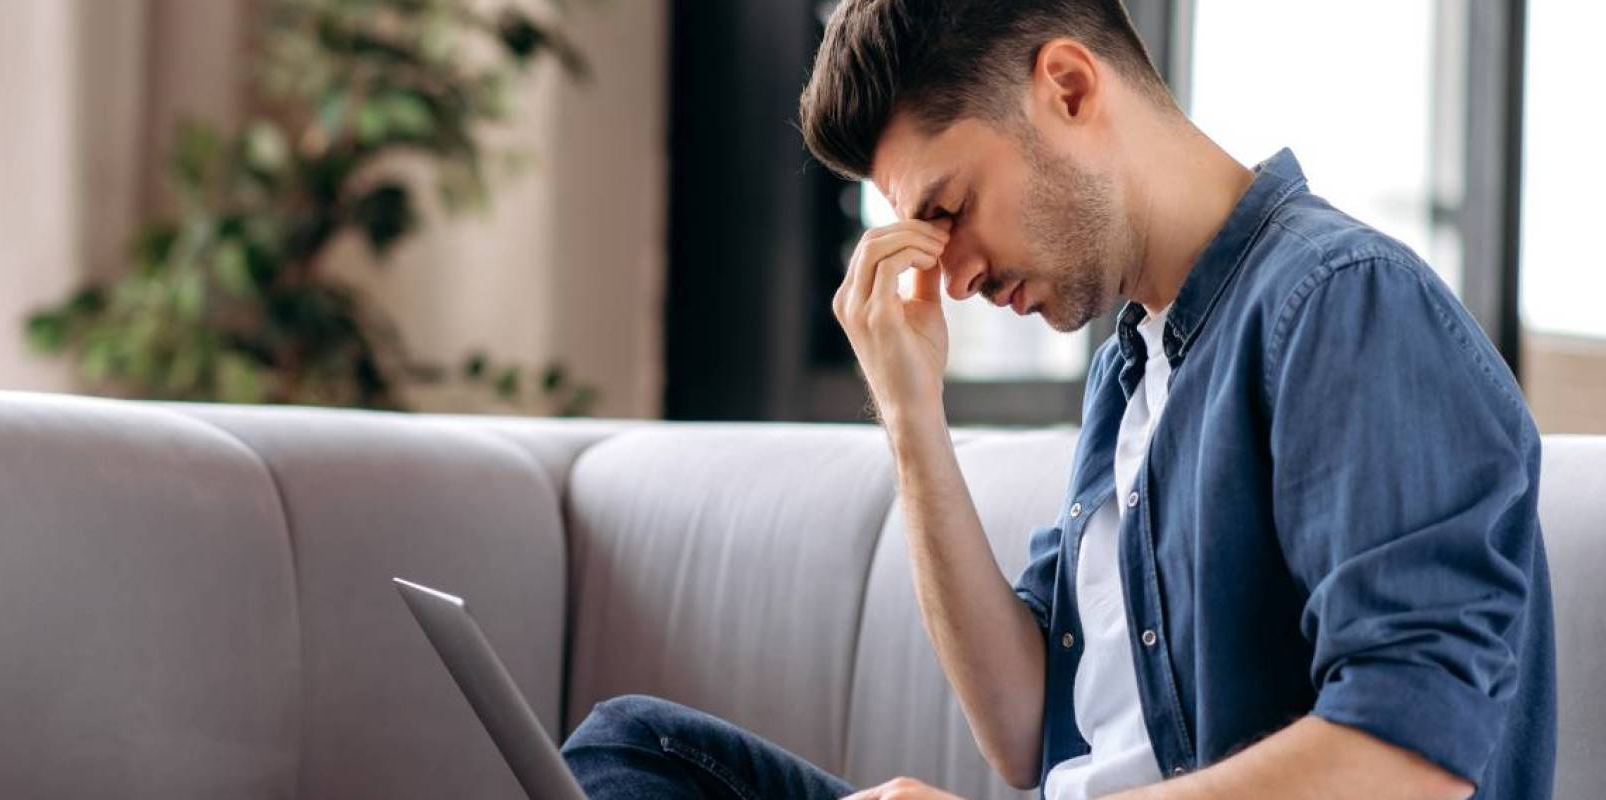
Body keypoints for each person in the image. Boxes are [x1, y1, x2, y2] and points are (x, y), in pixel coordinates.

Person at [559, 0, 1555, 797]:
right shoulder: (1135, 368)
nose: (948, 274)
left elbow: (1408, 752)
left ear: (1069, 87)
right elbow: (1024, 729)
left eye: (948, 209)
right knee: (637, 753)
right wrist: (912, 416)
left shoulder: (1338, 303)